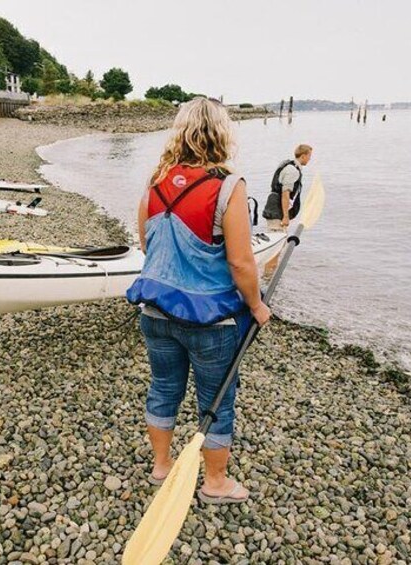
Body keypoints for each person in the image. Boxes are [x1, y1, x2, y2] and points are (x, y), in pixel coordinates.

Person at [126, 98, 271, 504]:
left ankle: (161, 466)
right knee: (216, 401)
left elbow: (148, 247)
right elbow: (242, 263)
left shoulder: (154, 184)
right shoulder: (228, 187)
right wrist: (257, 306)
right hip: (212, 322)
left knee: (164, 387)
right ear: (222, 133)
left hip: (155, 312)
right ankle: (215, 483)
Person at [262, 144, 312, 278]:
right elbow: (285, 193)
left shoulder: (287, 165)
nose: (310, 159)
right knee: (276, 248)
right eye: (309, 156)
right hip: (276, 211)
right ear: (303, 155)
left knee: (278, 246)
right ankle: (267, 280)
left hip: (274, 208)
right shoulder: (293, 171)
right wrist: (285, 216)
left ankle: (268, 277)